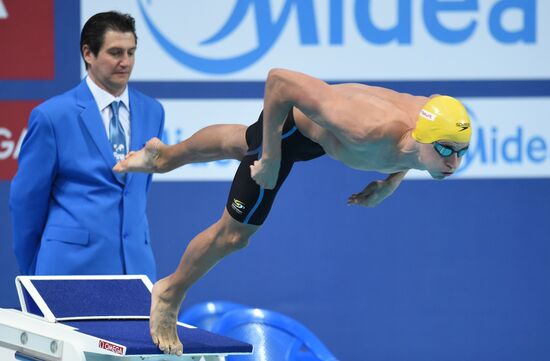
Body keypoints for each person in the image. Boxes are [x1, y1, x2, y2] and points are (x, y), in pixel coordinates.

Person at [114, 68, 471, 355]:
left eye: (461, 152)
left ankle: (165, 156)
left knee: (242, 140)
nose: (453, 163)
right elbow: (279, 81)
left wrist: (390, 183)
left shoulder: (434, 121)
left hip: (317, 137)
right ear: (424, 137)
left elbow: (417, 149)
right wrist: (269, 158)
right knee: (235, 236)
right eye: (445, 150)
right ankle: (170, 292)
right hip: (290, 128)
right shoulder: (365, 127)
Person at [9, 11, 164, 282]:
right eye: (115, 52)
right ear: (88, 54)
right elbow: (26, 201)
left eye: (131, 52)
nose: (125, 62)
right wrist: (34, 272)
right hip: (67, 270)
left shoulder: (153, 111)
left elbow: (137, 190)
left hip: (136, 269)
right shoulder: (53, 116)